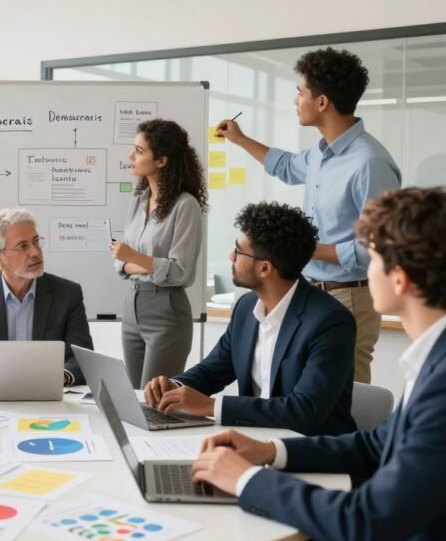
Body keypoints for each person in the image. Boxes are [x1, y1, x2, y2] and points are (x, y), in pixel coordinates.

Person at [191, 187, 446, 541]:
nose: (364, 274)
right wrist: (268, 452)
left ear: (399, 278)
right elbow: (377, 444)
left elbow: (365, 523)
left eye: (371, 260)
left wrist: (248, 480)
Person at [215, 47, 401, 385]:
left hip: (351, 295)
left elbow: (376, 249)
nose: (295, 99)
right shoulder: (321, 152)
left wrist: (298, 248)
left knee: (347, 395)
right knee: (306, 390)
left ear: (322, 102)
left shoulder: (369, 164)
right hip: (312, 289)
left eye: (300, 91)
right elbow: (285, 166)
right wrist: (240, 139)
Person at [144, 202, 357, 436]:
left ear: (265, 268)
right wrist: (174, 387)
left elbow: (304, 411)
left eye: (238, 251)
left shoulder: (330, 322)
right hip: (253, 439)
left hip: (310, 451)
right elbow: (213, 371)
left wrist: (211, 406)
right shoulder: (246, 308)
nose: (231, 256)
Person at [0, 208, 94, 386]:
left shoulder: (67, 294)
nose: (36, 252)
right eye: (23, 246)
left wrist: (61, 377)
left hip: (49, 399)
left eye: (36, 242)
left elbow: (83, 358)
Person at [111, 119, 206, 389]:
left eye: (139, 151)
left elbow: (180, 272)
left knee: (155, 401)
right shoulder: (138, 201)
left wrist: (134, 257)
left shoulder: (185, 206)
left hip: (166, 311)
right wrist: (142, 263)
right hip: (132, 307)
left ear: (161, 160)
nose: (131, 156)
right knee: (134, 397)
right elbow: (119, 265)